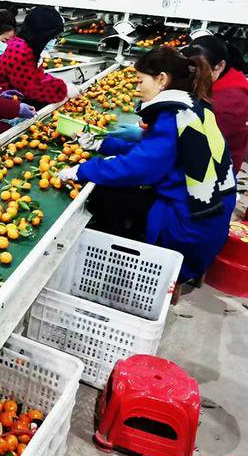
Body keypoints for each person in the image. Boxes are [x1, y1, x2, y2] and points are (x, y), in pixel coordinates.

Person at [58, 47, 236, 287]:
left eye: (141, 81)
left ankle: (118, 269)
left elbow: (138, 169)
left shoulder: (173, 116)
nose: (137, 88)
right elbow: (157, 155)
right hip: (209, 217)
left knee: (107, 196)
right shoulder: (195, 107)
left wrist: (82, 170)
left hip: (187, 229)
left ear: (161, 79)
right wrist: (104, 145)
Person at [182, 36, 248, 174]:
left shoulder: (228, 102)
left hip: (214, 172)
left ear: (220, 66)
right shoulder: (222, 78)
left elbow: (199, 144)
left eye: (201, 70)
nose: (194, 77)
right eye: (191, 69)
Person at [0, 5, 79, 106]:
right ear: (43, 34)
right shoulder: (20, 51)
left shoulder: (26, 46)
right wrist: (63, 90)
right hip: (3, 102)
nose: (53, 40)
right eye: (53, 37)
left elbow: (37, 76)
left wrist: (59, 84)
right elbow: (31, 89)